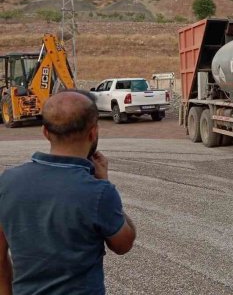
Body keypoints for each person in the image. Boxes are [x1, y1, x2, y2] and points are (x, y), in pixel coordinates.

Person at [0, 90, 136, 295]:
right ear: (93, 133)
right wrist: (105, 182)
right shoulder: (98, 192)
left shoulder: (7, 182)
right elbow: (123, 244)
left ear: (45, 132)